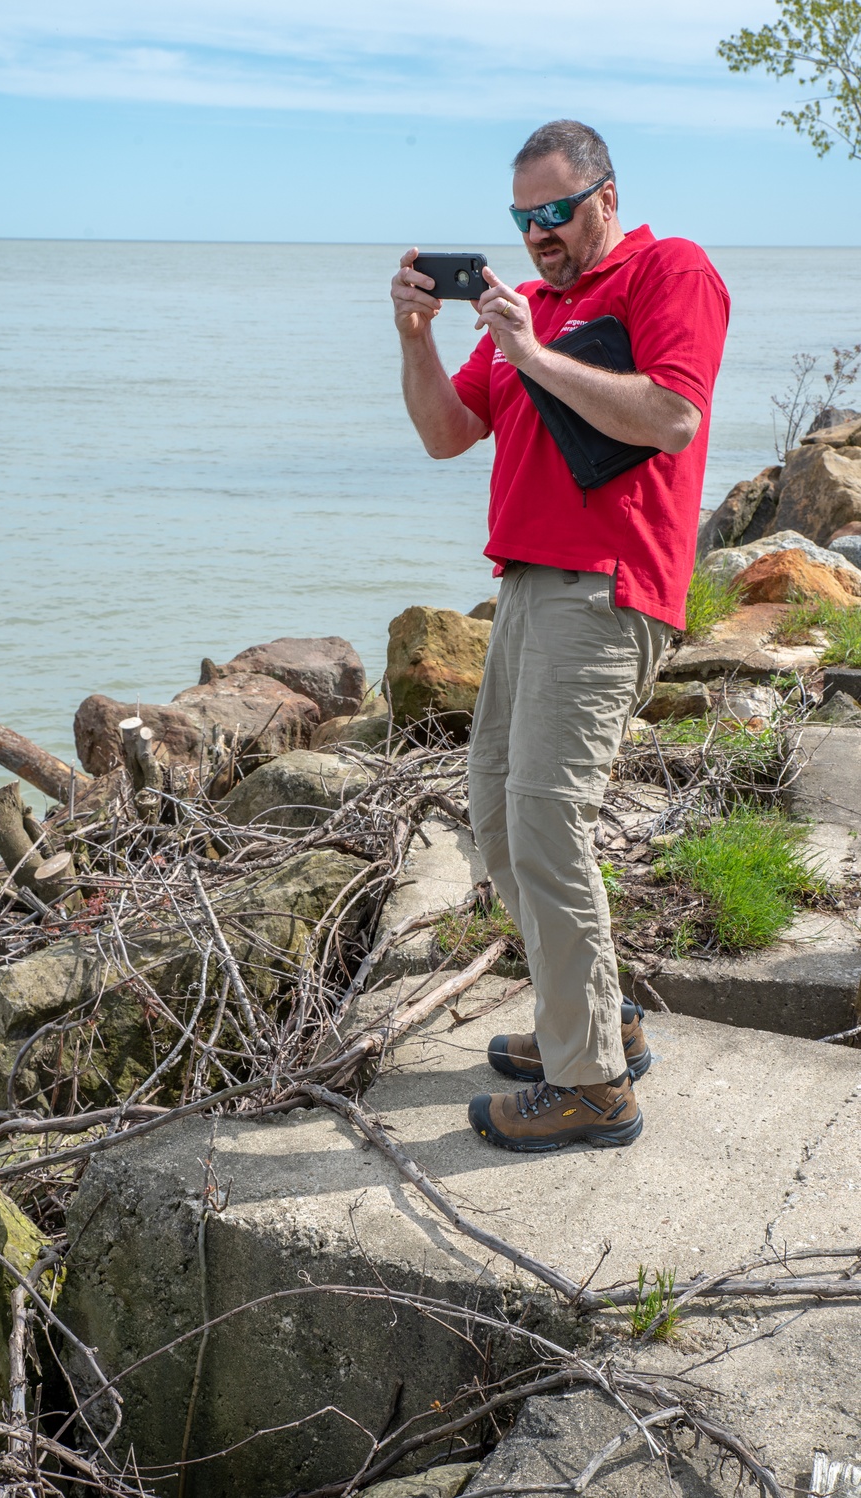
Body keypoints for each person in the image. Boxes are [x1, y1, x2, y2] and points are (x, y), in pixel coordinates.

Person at [390, 119, 729, 1153]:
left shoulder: (670, 271)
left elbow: (671, 417)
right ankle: (595, 1022)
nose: (538, 233)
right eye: (521, 217)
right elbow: (448, 434)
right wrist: (419, 340)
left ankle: (591, 1088)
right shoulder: (526, 310)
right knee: (495, 812)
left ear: (606, 196)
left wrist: (533, 355)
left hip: (611, 587)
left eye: (555, 211)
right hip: (529, 588)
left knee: (546, 818)